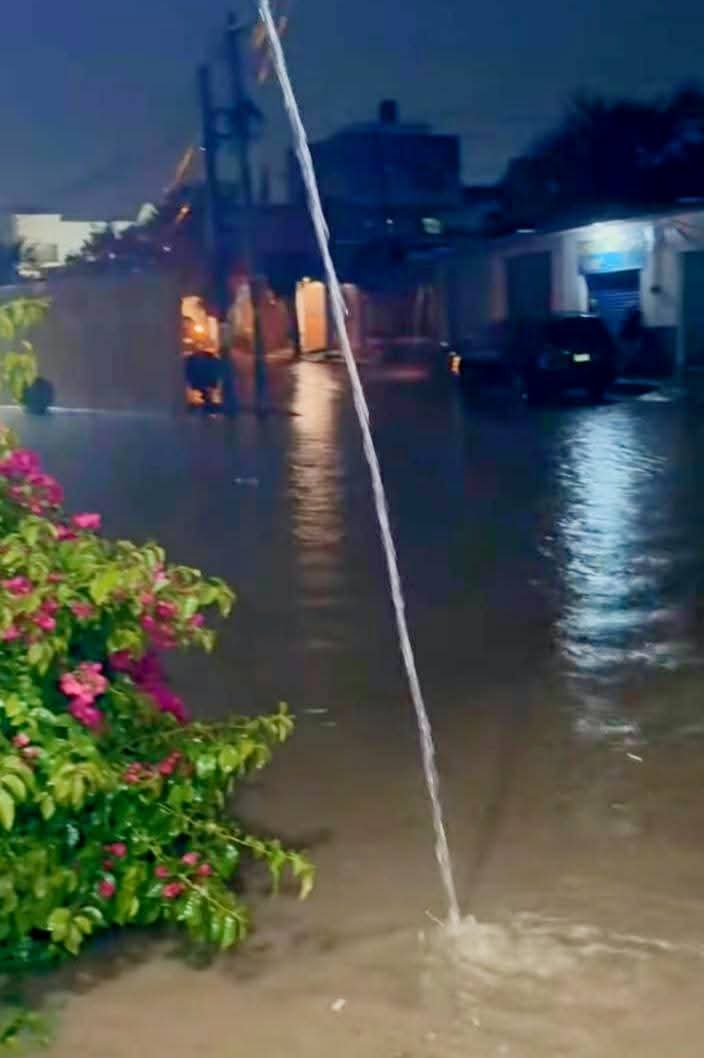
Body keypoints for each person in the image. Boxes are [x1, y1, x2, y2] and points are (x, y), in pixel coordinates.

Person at [619, 308, 643, 375]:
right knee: (631, 358)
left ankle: (626, 372)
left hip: (627, 342)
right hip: (630, 342)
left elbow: (622, 333)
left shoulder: (626, 321)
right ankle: (629, 372)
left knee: (627, 359)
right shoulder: (634, 323)